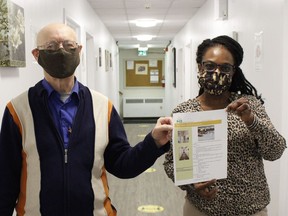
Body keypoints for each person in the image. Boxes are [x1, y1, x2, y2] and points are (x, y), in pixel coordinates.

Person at [0, 23, 173, 216]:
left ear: (79, 51)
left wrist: (154, 142)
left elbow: (123, 164)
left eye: (68, 45)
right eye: (51, 47)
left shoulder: (102, 107)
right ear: (36, 54)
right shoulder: (17, 110)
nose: (61, 51)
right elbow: (5, 179)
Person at [163, 35, 286, 216]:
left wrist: (251, 121)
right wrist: (191, 183)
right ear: (200, 67)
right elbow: (172, 163)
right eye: (210, 66)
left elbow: (275, 151)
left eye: (225, 68)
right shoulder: (185, 112)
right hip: (201, 209)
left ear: (233, 72)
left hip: (251, 209)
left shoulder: (248, 105)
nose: (216, 73)